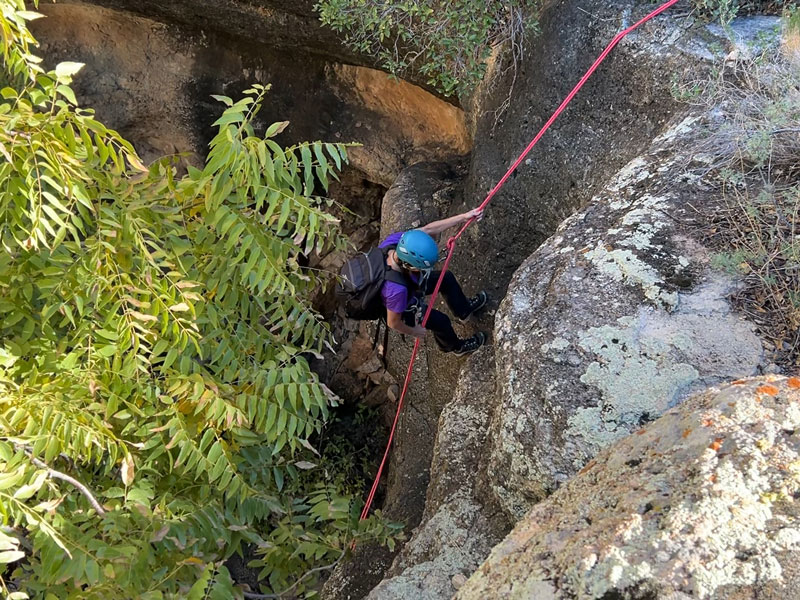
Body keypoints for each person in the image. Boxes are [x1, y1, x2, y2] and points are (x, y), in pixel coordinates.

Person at [380, 208, 488, 356]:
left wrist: (464, 216)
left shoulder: (398, 242)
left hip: (409, 281)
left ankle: (464, 311)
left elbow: (428, 229)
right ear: (411, 266)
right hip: (405, 305)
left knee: (446, 278)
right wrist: (414, 331)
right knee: (441, 321)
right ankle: (455, 347)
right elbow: (393, 322)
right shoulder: (395, 290)